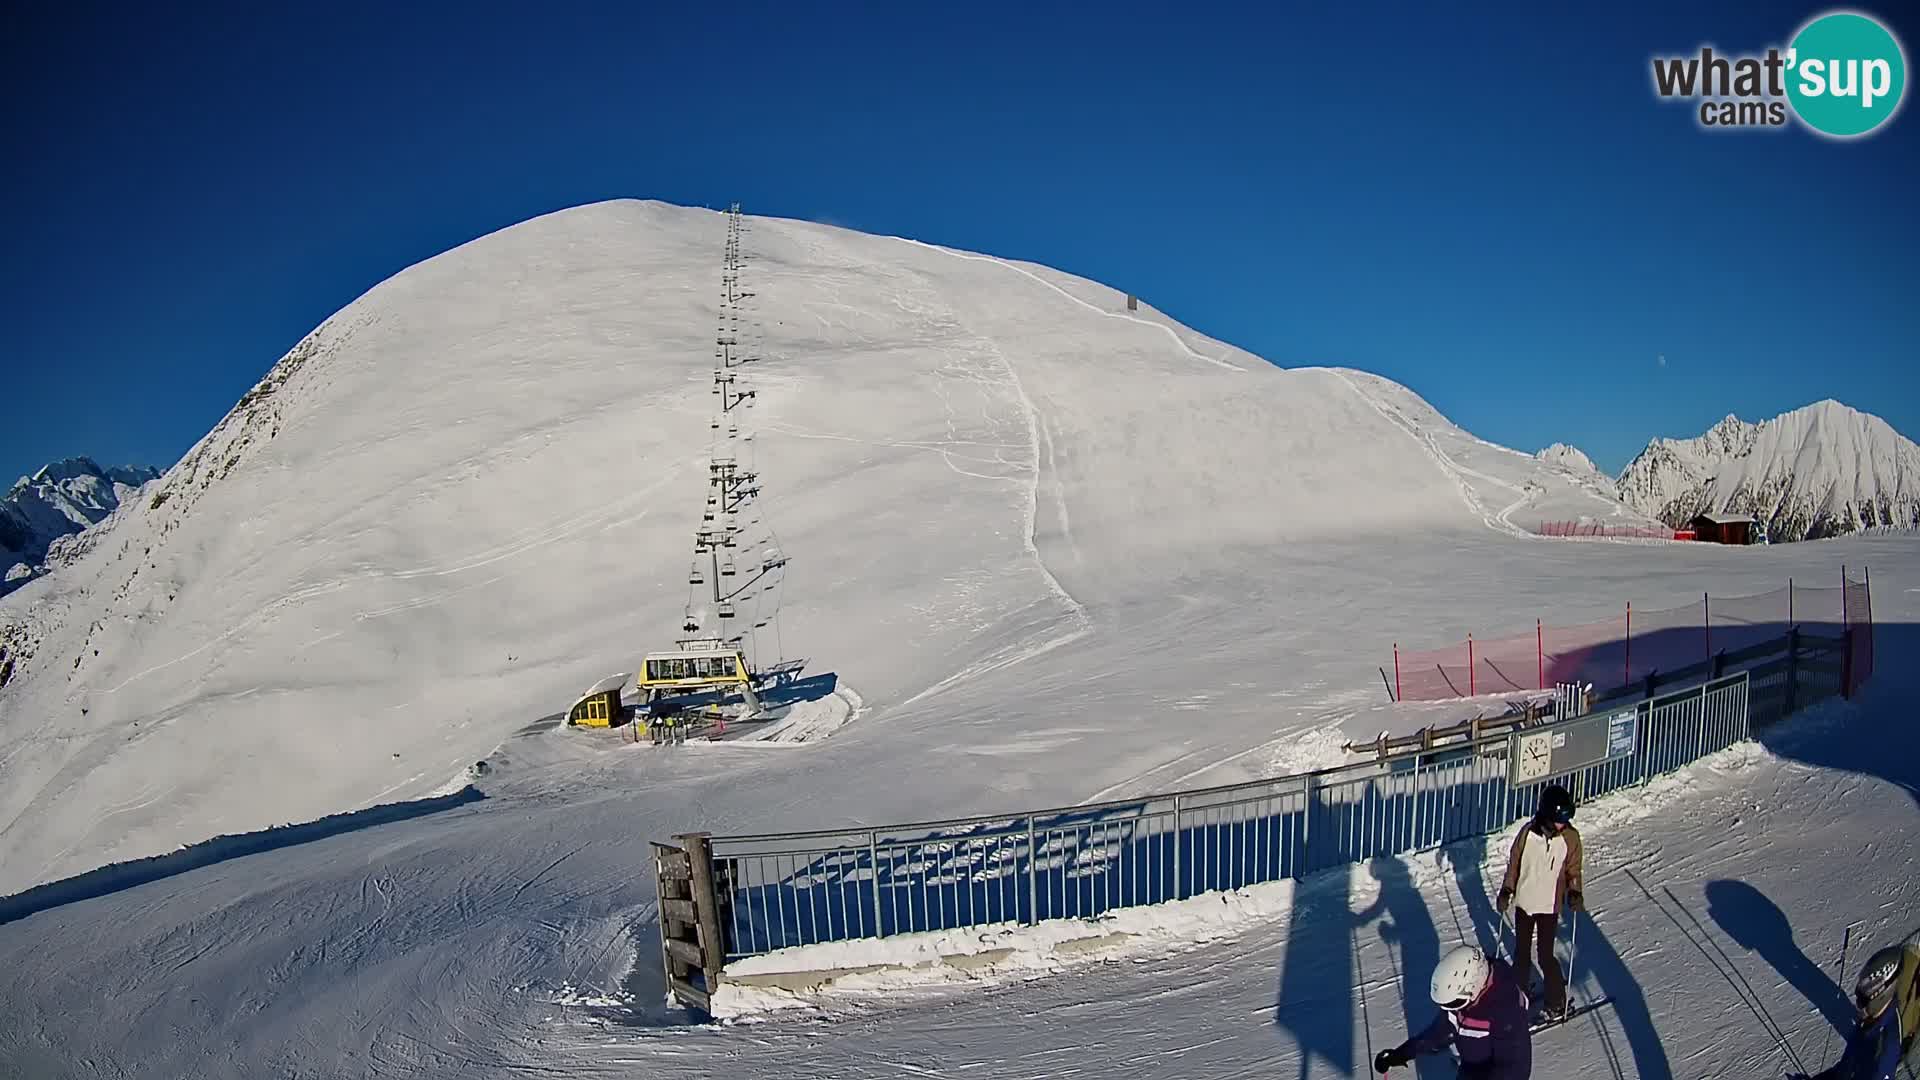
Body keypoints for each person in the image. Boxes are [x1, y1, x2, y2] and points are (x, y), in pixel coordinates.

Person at [1374, 944, 1532, 1078]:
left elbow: (1514, 1068)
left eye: (1455, 1003)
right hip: (1469, 1069)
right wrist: (1401, 1054)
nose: (1454, 1010)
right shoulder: (1462, 1004)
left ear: (1474, 985)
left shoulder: (1506, 1012)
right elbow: (1437, 1032)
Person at [1497, 783, 1584, 1020]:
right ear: (1546, 815)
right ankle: (1517, 998)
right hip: (1525, 903)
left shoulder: (1570, 838)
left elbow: (1573, 870)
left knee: (1545, 955)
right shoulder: (1527, 834)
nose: (1562, 824)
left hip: (1549, 906)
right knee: (1521, 955)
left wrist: (1574, 892)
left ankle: (1557, 1001)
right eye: (1559, 820)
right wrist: (1506, 889)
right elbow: (1514, 865)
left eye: (1566, 820)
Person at [1792, 942, 1920, 1080]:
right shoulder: (1870, 1021)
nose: (1858, 1006)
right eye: (1858, 998)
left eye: (1864, 1001)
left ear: (1881, 996)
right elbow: (1844, 1068)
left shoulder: (1883, 1055)